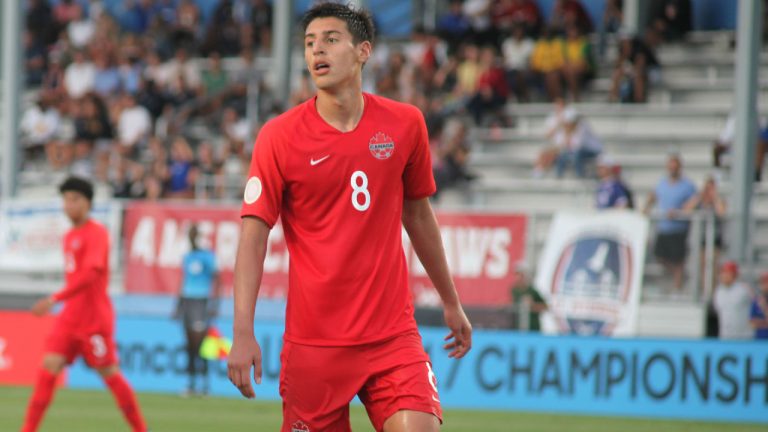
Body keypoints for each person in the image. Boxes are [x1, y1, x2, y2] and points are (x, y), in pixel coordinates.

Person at [226, 4, 472, 432]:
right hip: (314, 347)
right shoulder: (278, 137)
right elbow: (253, 237)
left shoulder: (405, 124)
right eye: (309, 43)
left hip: (392, 336)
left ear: (364, 51)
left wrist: (451, 302)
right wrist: (242, 330)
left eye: (330, 39)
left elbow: (418, 215)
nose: (316, 50)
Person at [21, 177, 147, 432]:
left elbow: (89, 275)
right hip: (70, 318)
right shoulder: (69, 236)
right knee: (48, 368)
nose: (68, 205)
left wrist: (54, 299)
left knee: (110, 373)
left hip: (94, 320)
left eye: (74, 199)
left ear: (87, 203)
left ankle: (141, 430)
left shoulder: (97, 232)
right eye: (65, 200)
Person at [176, 224, 219, 396]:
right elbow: (183, 282)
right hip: (188, 301)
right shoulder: (187, 257)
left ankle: (205, 385)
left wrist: (214, 304)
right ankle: (191, 385)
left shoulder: (208, 256)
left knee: (202, 345)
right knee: (189, 346)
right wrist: (178, 306)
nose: (191, 238)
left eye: (193, 235)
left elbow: (218, 280)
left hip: (201, 302)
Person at [643, 154, 697, 291]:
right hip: (664, 227)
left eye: (675, 165)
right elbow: (654, 197)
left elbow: (694, 202)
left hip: (678, 228)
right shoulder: (662, 183)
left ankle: (678, 285)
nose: (672, 168)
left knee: (677, 259)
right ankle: (677, 277)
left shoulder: (687, 185)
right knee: (660, 256)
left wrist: (680, 211)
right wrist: (646, 206)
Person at [713, 261, 754, 340]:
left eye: (727, 273)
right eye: (723, 273)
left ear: (735, 275)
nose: (724, 276)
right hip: (725, 336)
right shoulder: (718, 291)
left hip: (744, 337)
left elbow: (758, 303)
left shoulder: (743, 289)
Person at [509, 264, 547, 331]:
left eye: (521, 275)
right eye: (517, 275)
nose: (518, 277)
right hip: (517, 327)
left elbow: (545, 306)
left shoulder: (532, 291)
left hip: (533, 327)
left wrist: (532, 305)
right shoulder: (513, 290)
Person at [750, 272, 768, 339]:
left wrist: (764, 307)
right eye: (762, 283)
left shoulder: (760, 301)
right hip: (760, 340)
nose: (764, 286)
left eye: (766, 283)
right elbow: (752, 324)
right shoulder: (757, 300)